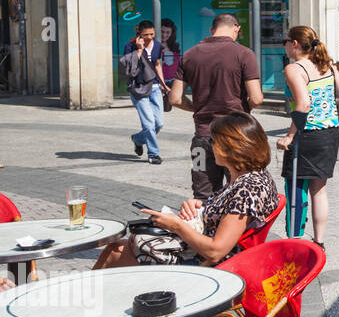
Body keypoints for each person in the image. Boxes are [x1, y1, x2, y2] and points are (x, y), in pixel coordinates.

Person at [95, 113, 279, 268]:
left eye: (213, 141)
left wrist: (176, 225)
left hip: (211, 266)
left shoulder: (247, 189)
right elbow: (227, 214)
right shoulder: (251, 177)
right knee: (117, 248)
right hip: (206, 255)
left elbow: (216, 251)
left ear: (230, 148)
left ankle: (87, 304)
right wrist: (200, 207)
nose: (210, 145)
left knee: (117, 253)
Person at [169, 13, 264, 199]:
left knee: (201, 195)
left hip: (201, 138)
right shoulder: (244, 54)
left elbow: (175, 98)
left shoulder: (189, 55)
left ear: (212, 30)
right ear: (236, 28)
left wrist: (196, 107)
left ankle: (203, 227)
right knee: (240, 192)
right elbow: (257, 98)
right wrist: (245, 108)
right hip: (236, 136)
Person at [277, 26, 339, 245]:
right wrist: (324, 108)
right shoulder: (327, 64)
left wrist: (289, 136)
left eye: (285, 41)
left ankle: (295, 240)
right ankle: (319, 242)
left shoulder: (294, 69)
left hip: (307, 134)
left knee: (296, 187)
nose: (285, 46)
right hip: (330, 132)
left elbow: (303, 103)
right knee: (319, 190)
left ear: (295, 44)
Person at [120, 19, 168, 165]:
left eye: (152, 34)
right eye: (146, 34)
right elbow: (130, 69)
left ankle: (138, 139)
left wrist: (163, 84)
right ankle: (153, 153)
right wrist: (139, 50)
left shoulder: (158, 46)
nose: (149, 37)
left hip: (154, 88)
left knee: (158, 123)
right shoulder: (130, 46)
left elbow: (157, 65)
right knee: (148, 124)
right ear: (139, 33)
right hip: (138, 88)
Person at [158, 18, 181, 84]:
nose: (164, 35)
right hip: (159, 83)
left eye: (167, 32)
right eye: (162, 31)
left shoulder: (175, 47)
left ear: (172, 33)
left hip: (173, 82)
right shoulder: (153, 46)